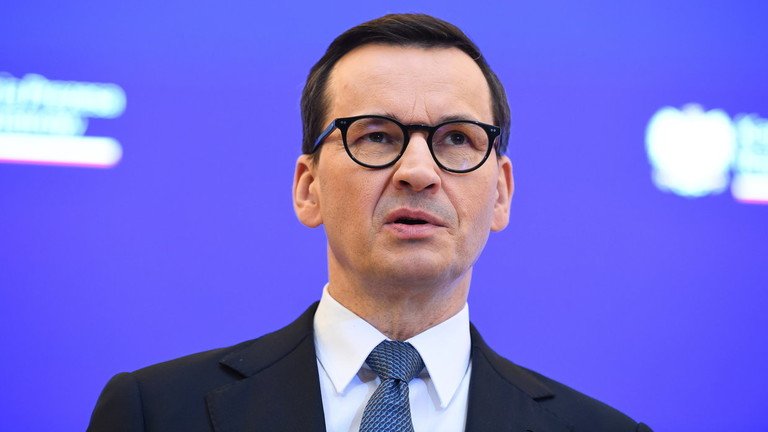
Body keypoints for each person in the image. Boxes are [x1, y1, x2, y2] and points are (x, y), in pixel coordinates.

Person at [87, 13, 652, 432]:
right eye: (377, 136)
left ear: (501, 193)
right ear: (308, 188)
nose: (418, 172)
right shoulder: (156, 413)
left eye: (457, 139)